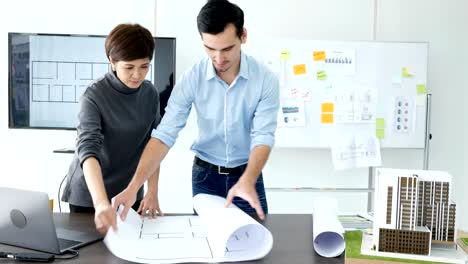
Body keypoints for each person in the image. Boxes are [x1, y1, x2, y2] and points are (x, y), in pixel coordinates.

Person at [113, 0, 279, 221]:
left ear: (243, 36)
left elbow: (263, 136)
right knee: (207, 247)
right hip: (206, 177)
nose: (219, 59)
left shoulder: (264, 79)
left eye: (227, 48)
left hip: (247, 175)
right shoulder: (192, 77)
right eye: (210, 49)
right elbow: (164, 136)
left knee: (256, 244)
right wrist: (134, 187)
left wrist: (248, 179)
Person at [61, 23, 163, 235]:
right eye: (129, 67)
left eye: (144, 66)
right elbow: (88, 150)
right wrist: (100, 202)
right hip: (90, 196)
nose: (137, 75)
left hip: (129, 192)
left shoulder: (150, 94)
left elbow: (154, 144)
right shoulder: (93, 96)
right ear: (112, 62)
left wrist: (152, 191)